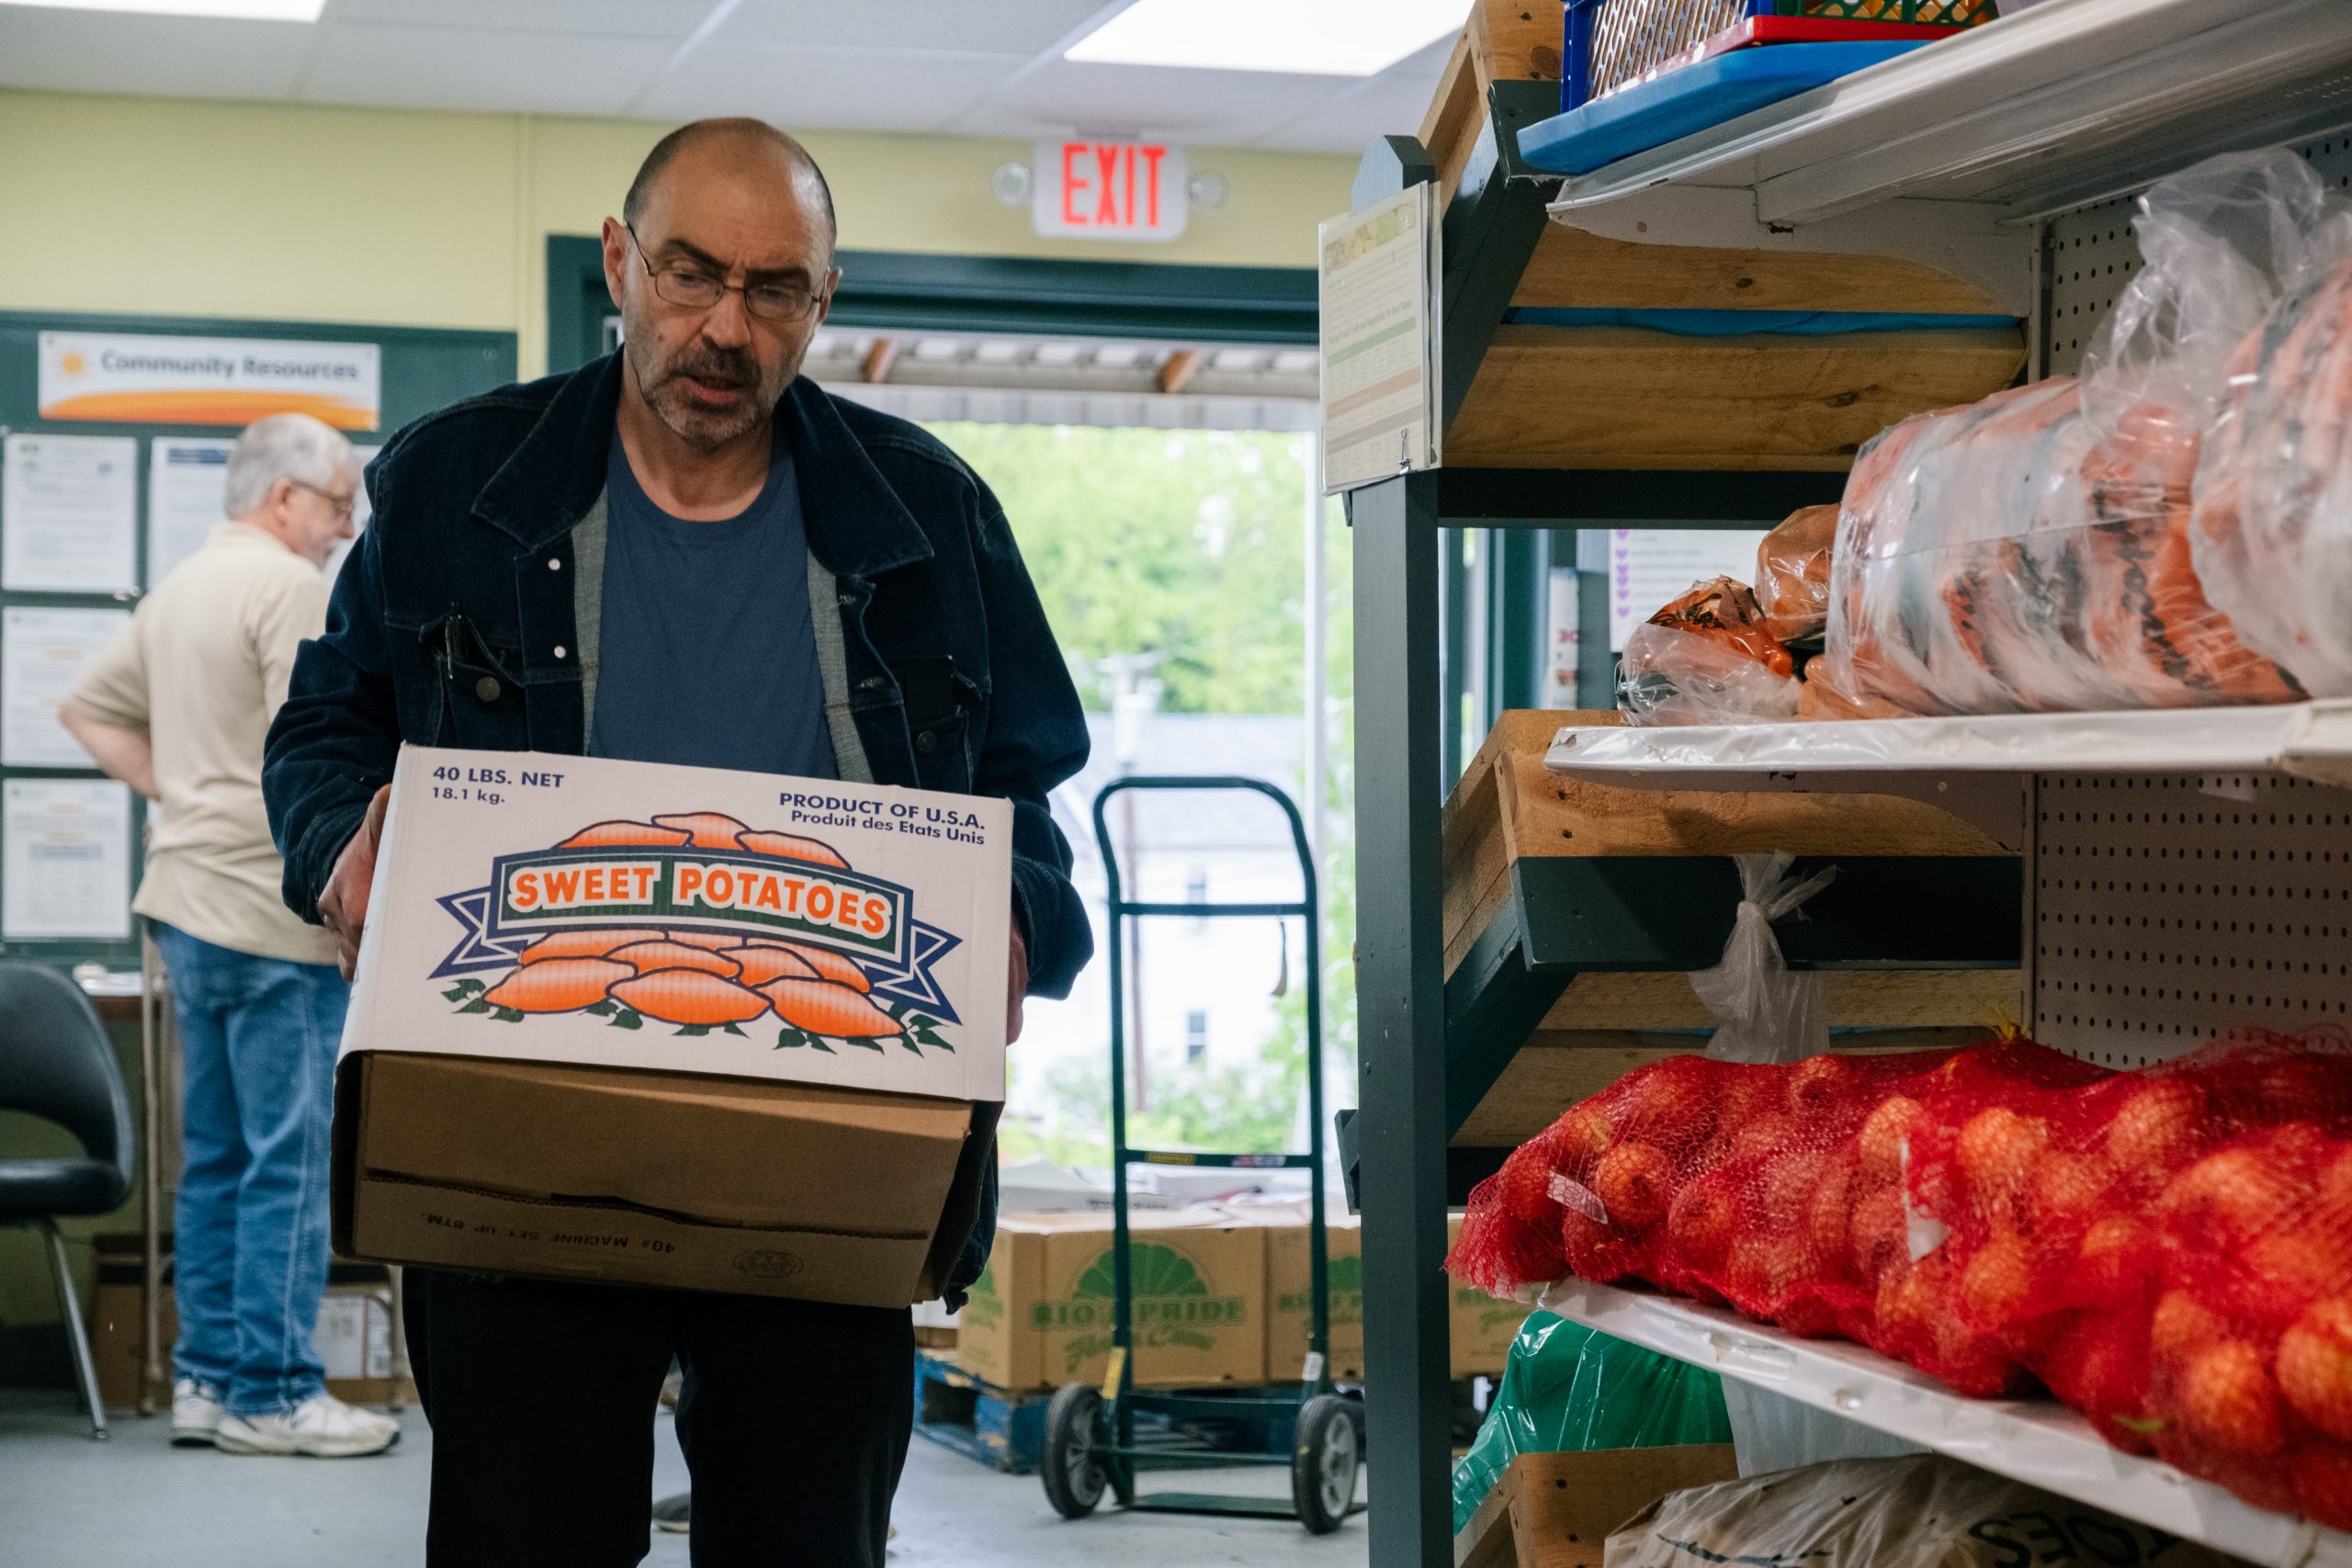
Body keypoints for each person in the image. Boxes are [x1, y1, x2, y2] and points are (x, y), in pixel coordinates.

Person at [262, 118, 1091, 1565]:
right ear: (618, 260)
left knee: (806, 1538)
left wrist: (1016, 912)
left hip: (830, 1138)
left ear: (823, 302)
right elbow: (323, 737)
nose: (725, 326)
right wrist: (346, 848)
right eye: (691, 272)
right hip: (522, 1120)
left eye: (776, 289)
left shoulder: (931, 513)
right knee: (529, 1535)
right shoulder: (458, 483)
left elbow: (1028, 787)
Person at [62, 413, 399, 1460]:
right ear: (283, 497)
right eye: (338, 503)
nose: (346, 528)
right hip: (265, 911)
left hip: (182, 904)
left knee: (212, 1157)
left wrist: (191, 796)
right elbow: (318, 752)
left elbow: (87, 709)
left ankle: (205, 1381)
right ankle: (275, 1389)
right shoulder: (289, 588)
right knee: (290, 1162)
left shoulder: (179, 590)